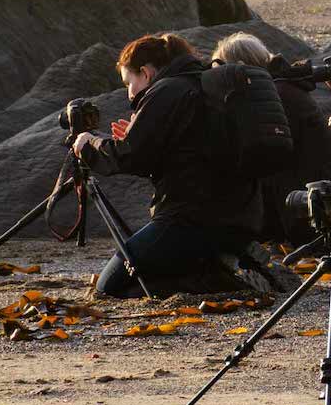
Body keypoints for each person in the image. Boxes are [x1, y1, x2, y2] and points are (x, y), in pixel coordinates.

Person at [72, 34, 264, 297]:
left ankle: (217, 282)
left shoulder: (166, 90)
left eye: (129, 82)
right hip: (241, 218)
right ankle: (217, 266)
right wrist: (138, 134)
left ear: (147, 73)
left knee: (109, 286)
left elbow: (129, 157)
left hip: (188, 221)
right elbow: (191, 151)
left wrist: (90, 144)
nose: (129, 92)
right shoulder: (203, 84)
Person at [211, 32, 331, 246]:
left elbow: (268, 156)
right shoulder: (283, 86)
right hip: (324, 189)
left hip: (316, 202)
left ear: (239, 68)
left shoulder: (276, 95)